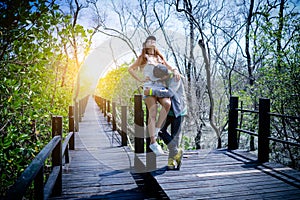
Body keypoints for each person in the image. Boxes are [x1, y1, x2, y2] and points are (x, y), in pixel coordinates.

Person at [128, 36, 180, 156]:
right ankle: (153, 141)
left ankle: (156, 131)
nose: (152, 42)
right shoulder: (143, 58)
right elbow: (130, 69)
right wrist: (140, 79)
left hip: (160, 86)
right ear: (145, 45)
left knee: (167, 104)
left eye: (153, 41)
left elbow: (169, 66)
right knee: (152, 112)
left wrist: (175, 70)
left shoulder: (159, 57)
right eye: (149, 41)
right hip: (149, 87)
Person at [144, 65, 187, 170]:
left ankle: (171, 162)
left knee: (174, 137)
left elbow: (170, 93)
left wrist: (151, 92)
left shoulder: (175, 78)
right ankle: (176, 152)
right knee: (161, 131)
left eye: (159, 78)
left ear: (164, 76)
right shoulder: (164, 76)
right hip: (168, 112)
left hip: (178, 111)